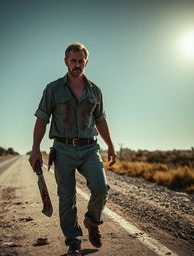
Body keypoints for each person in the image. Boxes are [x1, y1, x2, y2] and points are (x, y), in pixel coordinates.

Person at [29, 42, 116, 256]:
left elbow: (101, 120)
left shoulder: (95, 91)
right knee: (67, 197)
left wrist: (111, 145)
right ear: (66, 61)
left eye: (81, 61)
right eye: (73, 60)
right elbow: (42, 119)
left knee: (101, 187)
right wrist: (35, 149)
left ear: (86, 62)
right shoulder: (53, 89)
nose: (77, 64)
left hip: (89, 149)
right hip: (63, 149)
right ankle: (73, 240)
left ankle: (92, 222)